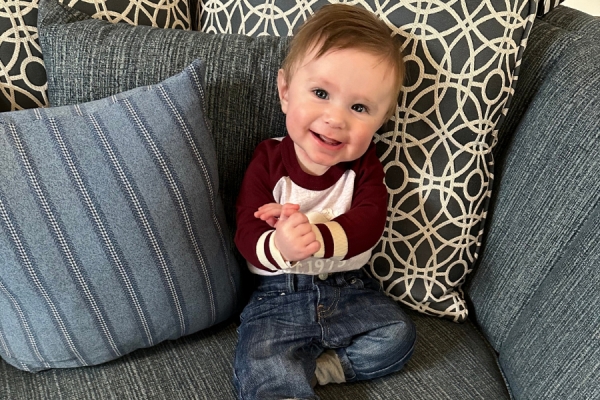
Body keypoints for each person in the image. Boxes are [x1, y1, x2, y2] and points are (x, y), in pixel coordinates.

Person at [233, 4, 416, 399]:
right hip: (278, 294)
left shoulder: (365, 167)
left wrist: (319, 235)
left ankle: (324, 370)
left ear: (380, 120)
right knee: (261, 369)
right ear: (285, 91)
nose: (336, 118)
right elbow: (246, 229)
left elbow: (370, 221)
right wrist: (279, 244)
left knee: (399, 336)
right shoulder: (267, 159)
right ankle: (287, 382)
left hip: (351, 289)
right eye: (320, 93)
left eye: (359, 107)